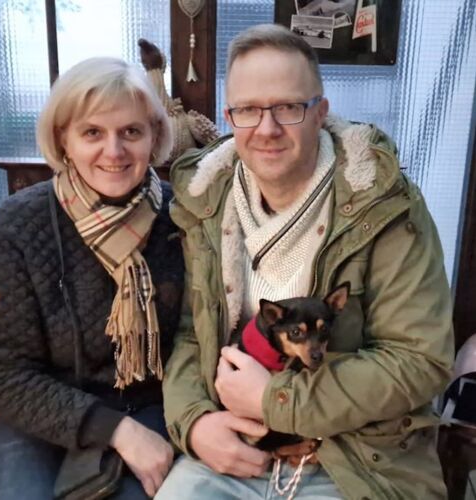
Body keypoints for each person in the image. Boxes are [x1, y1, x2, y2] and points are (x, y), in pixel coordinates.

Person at [156, 24, 454, 499]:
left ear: (320, 112)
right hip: (234, 443)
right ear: (230, 118)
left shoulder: (385, 207)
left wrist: (275, 400)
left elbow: (418, 360)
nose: (267, 129)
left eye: (288, 107)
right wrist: (194, 423)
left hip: (354, 457)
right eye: (249, 110)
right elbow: (194, 333)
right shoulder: (207, 203)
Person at [0, 57, 184, 499]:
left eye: (131, 131)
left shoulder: (182, 218)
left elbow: (197, 344)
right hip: (35, 418)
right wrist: (114, 429)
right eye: (92, 133)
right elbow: (1, 370)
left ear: (154, 137)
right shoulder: (19, 226)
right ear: (63, 140)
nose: (114, 151)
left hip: (152, 408)